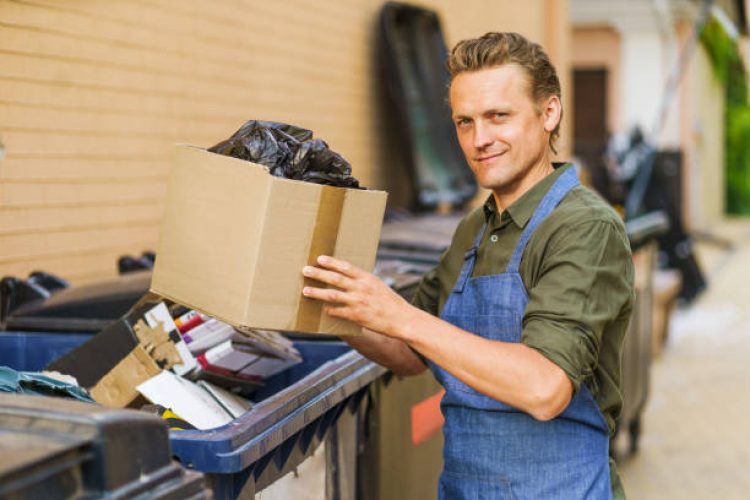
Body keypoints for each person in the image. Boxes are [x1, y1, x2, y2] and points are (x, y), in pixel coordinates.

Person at [302, 32, 634, 499]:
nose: (480, 140)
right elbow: (411, 352)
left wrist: (400, 315)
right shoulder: (474, 230)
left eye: (499, 116)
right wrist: (336, 304)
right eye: (464, 122)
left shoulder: (582, 228)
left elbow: (545, 388)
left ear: (549, 113)